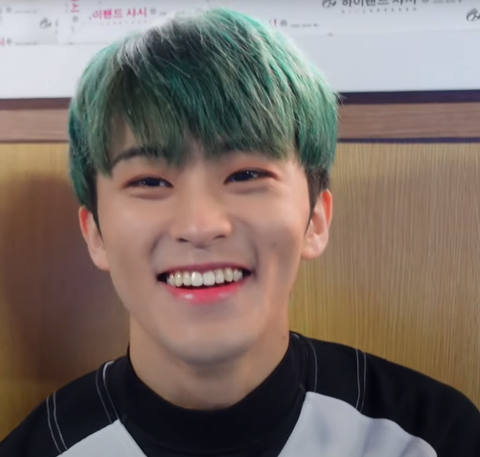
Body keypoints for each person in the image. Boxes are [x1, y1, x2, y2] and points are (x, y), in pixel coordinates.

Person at [1, 8, 479, 457]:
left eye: (247, 175)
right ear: (96, 234)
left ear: (315, 219)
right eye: (149, 181)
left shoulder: (429, 437)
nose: (200, 226)